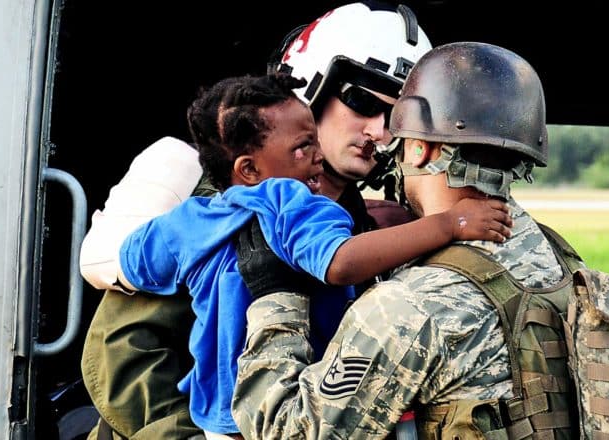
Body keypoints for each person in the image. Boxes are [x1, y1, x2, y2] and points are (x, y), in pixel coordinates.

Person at [79, 4, 435, 439]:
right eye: (362, 101)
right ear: (311, 85)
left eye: (396, 118)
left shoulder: (375, 230)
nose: (379, 132)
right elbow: (124, 350)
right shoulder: (192, 188)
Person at [116, 72, 513, 440]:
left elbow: (135, 262)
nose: (317, 154)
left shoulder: (192, 218)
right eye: (303, 147)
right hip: (282, 400)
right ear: (250, 169)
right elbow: (341, 263)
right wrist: (449, 224)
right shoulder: (291, 201)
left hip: (214, 412)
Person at [231, 42, 586, 439]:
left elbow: (289, 432)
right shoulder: (565, 264)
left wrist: (275, 299)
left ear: (419, 148)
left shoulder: (410, 307)